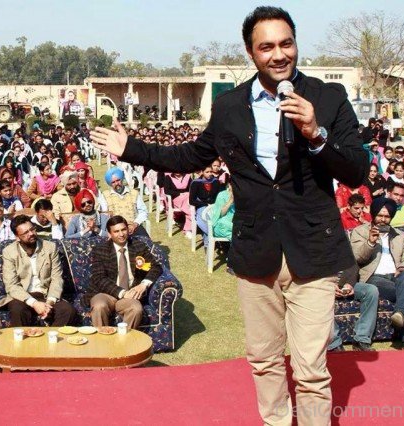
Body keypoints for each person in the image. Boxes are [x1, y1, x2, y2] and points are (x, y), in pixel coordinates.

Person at [90, 6, 368, 424]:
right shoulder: (230, 106)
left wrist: (316, 134)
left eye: (286, 43)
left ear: (296, 44)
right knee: (264, 359)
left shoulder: (327, 98)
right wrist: (133, 150)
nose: (279, 54)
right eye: (267, 46)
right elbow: (191, 156)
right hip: (256, 252)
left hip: (313, 250)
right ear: (251, 53)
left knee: (312, 369)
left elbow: (355, 169)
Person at [350, 198, 404, 350]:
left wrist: (402, 267)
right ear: (373, 214)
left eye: (387, 217)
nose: (383, 219)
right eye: (380, 215)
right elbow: (357, 258)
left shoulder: (399, 235)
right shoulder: (360, 232)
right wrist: (370, 243)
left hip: (395, 276)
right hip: (373, 277)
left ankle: (400, 313)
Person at [0, 215, 75, 327]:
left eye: (32, 229)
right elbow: (11, 285)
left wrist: (49, 303)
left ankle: (52, 341)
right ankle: (22, 344)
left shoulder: (50, 248)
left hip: (46, 293)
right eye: (25, 233)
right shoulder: (9, 252)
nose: (31, 234)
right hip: (22, 296)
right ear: (17, 237)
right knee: (18, 311)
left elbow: (57, 278)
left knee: (68, 311)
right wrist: (34, 303)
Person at [85, 216, 162, 330]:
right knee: (99, 306)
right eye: (116, 231)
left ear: (128, 229)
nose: (121, 234)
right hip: (105, 294)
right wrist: (122, 293)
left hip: (130, 295)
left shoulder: (138, 246)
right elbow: (99, 278)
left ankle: (123, 343)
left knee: (136, 309)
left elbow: (155, 267)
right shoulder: (100, 250)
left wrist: (143, 285)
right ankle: (102, 343)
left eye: (123, 229)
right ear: (110, 234)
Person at [327, 265, 379, 352]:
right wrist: (329, 286)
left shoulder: (344, 251)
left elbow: (353, 265)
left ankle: (361, 340)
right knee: (320, 296)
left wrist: (349, 284)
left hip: (343, 283)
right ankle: (334, 344)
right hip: (323, 285)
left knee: (371, 291)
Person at [101, 167, 149, 238]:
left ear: (122, 179)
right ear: (110, 184)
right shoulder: (105, 195)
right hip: (116, 229)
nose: (116, 183)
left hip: (133, 226)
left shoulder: (134, 193)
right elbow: (104, 215)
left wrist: (135, 224)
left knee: (146, 243)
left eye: (118, 180)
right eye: (113, 182)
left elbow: (143, 211)